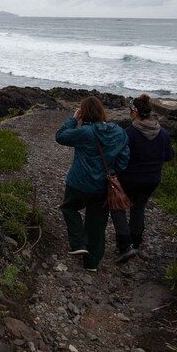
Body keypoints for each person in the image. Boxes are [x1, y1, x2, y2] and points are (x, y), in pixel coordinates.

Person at [55, 96, 130, 272]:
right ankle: (92, 264)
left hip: (79, 183)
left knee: (69, 208)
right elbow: (124, 157)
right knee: (96, 224)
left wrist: (73, 119)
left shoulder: (86, 132)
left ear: (84, 113)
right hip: (103, 186)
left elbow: (60, 136)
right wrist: (112, 172)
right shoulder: (120, 132)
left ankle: (79, 242)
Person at [110, 94, 174, 263]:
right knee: (138, 208)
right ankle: (136, 244)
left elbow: (118, 156)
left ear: (134, 112)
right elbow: (169, 156)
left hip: (129, 178)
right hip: (152, 179)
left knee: (117, 206)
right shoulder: (163, 134)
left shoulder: (129, 133)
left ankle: (124, 246)